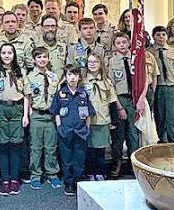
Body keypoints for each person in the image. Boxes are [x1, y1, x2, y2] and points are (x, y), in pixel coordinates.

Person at [50, 64, 96, 196]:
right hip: (65, 131)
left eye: (75, 75)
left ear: (79, 77)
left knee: (79, 160)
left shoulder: (83, 94)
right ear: (65, 77)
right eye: (69, 75)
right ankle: (68, 183)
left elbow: (88, 113)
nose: (72, 77)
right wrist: (59, 127)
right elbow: (56, 111)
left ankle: (77, 182)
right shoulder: (60, 93)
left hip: (81, 132)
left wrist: (87, 127)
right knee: (67, 160)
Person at [0, 43, 28, 196]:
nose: (7, 55)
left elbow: (27, 94)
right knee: (2, 144)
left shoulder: (21, 72)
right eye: (4, 52)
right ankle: (4, 179)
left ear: (14, 55)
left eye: (10, 53)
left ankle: (14, 179)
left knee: (16, 144)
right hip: (0, 109)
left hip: (17, 109)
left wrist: (25, 115)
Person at [24, 47, 61, 189]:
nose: (42, 59)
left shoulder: (53, 77)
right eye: (39, 57)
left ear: (49, 59)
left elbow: (58, 98)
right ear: (34, 60)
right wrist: (27, 115)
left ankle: (52, 173)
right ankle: (35, 174)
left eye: (45, 57)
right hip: (37, 116)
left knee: (51, 147)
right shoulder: (30, 77)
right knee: (35, 147)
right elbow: (27, 97)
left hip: (50, 116)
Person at [108, 33, 145, 177]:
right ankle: (117, 162)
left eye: (124, 42)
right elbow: (111, 85)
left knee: (133, 133)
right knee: (119, 134)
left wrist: (141, 99)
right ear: (114, 45)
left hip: (134, 99)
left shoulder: (136, 59)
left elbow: (143, 79)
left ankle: (133, 163)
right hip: (120, 99)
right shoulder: (112, 61)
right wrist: (118, 106)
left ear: (129, 42)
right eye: (118, 43)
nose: (122, 45)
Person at [148, 26, 174, 144]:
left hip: (172, 86)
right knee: (159, 115)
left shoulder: (173, 51)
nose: (161, 37)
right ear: (153, 37)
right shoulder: (149, 52)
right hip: (157, 87)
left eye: (163, 34)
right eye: (158, 35)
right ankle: (162, 140)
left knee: (173, 116)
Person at [83, 53, 117, 181]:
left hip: (103, 119)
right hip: (88, 121)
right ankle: (90, 172)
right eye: (90, 62)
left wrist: (113, 120)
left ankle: (100, 171)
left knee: (101, 149)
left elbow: (112, 101)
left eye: (95, 62)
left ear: (100, 64)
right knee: (89, 149)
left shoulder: (107, 82)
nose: (92, 64)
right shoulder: (83, 81)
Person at [35, 14, 67, 79]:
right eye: (47, 26)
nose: (50, 29)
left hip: (61, 85)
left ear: (57, 28)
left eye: (53, 26)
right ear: (41, 28)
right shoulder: (35, 47)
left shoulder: (64, 47)